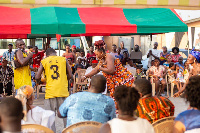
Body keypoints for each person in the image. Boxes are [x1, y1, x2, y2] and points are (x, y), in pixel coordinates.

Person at [35, 48, 73, 130]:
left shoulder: (44, 61)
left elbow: (37, 77)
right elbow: (70, 75)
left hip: (50, 92)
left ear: (47, 55)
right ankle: (68, 131)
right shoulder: (63, 59)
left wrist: (40, 81)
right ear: (55, 53)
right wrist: (63, 80)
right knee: (65, 116)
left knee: (50, 117)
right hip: (63, 91)